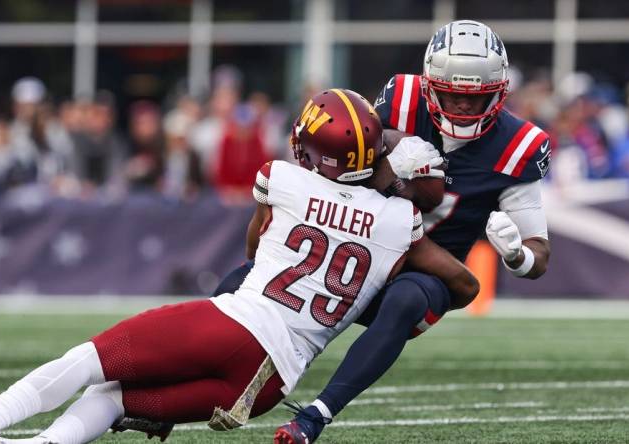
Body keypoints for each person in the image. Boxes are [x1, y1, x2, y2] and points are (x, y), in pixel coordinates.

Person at [0, 89, 478, 444]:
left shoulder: (285, 180)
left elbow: (255, 254)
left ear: (317, 153)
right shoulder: (399, 223)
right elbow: (462, 283)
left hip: (236, 328)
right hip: (271, 383)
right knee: (118, 398)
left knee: (90, 361)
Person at [204, 20, 552, 444]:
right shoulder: (400, 99)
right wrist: (390, 159)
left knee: (406, 298)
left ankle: (315, 416)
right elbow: (345, 148)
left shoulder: (519, 146)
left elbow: (539, 255)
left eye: (473, 99)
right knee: (240, 281)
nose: (461, 108)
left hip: (425, 270)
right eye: (451, 96)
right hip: (352, 245)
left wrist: (518, 256)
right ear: (428, 85)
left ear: (498, 94)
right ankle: (186, 375)